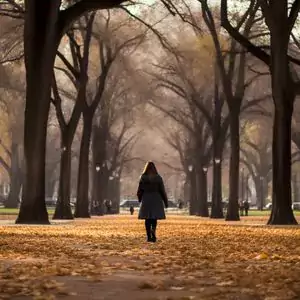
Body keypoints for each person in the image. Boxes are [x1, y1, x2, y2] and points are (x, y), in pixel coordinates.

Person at [137, 161, 168, 242]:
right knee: (154, 218)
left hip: (146, 198)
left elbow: (139, 190)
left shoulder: (143, 178)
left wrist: (140, 199)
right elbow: (162, 190)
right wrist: (165, 201)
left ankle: (148, 236)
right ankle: (153, 232)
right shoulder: (158, 178)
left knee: (147, 218)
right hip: (156, 198)